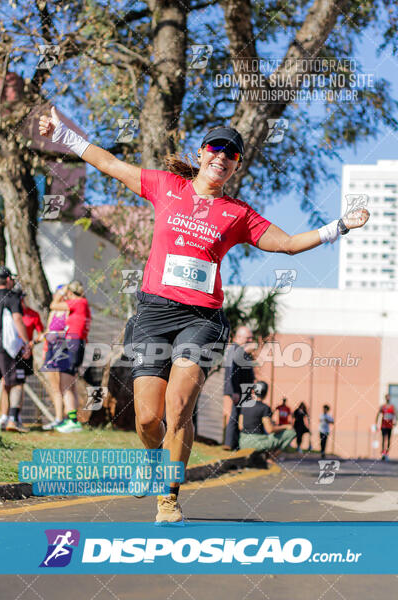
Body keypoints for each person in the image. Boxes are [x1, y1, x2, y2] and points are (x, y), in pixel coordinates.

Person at [39, 107, 369, 524]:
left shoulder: (237, 214)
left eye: (231, 154)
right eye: (216, 147)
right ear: (200, 153)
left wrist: (339, 226)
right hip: (154, 313)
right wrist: (63, 135)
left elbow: (286, 244)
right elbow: (108, 163)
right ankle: (151, 458)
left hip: (202, 319)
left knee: (179, 406)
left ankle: (169, 498)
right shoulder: (165, 186)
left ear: (235, 166)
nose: (222, 156)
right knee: (147, 417)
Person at [47, 281, 91, 433]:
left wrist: (61, 292)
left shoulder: (78, 302)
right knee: (70, 385)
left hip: (73, 344)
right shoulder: (83, 303)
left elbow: (53, 305)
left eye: (67, 294)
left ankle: (72, 421)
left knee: (64, 386)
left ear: (70, 294)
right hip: (76, 344)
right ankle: (73, 420)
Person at [0, 267, 31, 433]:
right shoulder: (11, 297)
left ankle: (3, 417)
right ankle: (12, 419)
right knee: (17, 382)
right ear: (8, 279)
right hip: (5, 347)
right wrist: (26, 342)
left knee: (5, 382)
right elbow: (18, 319)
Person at [238, 381, 296, 457]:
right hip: (258, 443)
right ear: (265, 393)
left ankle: (263, 456)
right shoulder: (264, 407)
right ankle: (271, 457)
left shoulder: (244, 405)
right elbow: (269, 429)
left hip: (243, 443)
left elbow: (240, 426)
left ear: (253, 391)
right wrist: (286, 426)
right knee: (291, 432)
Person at [223, 325, 256, 451]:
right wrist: (234, 391)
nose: (250, 341)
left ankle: (237, 444)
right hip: (238, 390)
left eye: (251, 338)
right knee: (234, 416)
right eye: (248, 338)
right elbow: (231, 372)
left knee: (242, 416)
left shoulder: (241, 351)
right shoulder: (235, 350)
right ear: (239, 337)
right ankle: (230, 444)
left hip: (244, 389)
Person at [40, 284, 69, 430]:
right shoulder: (54, 311)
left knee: (64, 386)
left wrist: (56, 335)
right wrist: (45, 348)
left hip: (63, 349)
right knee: (54, 387)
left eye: (60, 292)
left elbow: (69, 332)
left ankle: (65, 417)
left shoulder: (67, 309)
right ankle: (58, 418)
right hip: (51, 350)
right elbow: (48, 331)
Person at [376, 394, 396, 461]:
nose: (388, 398)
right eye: (387, 397)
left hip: (390, 426)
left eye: (389, 397)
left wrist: (395, 422)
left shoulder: (392, 407)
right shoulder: (382, 407)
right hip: (384, 425)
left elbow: (395, 415)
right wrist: (376, 424)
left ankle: (387, 453)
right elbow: (378, 415)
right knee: (384, 439)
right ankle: (383, 453)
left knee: (389, 440)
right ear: (385, 398)